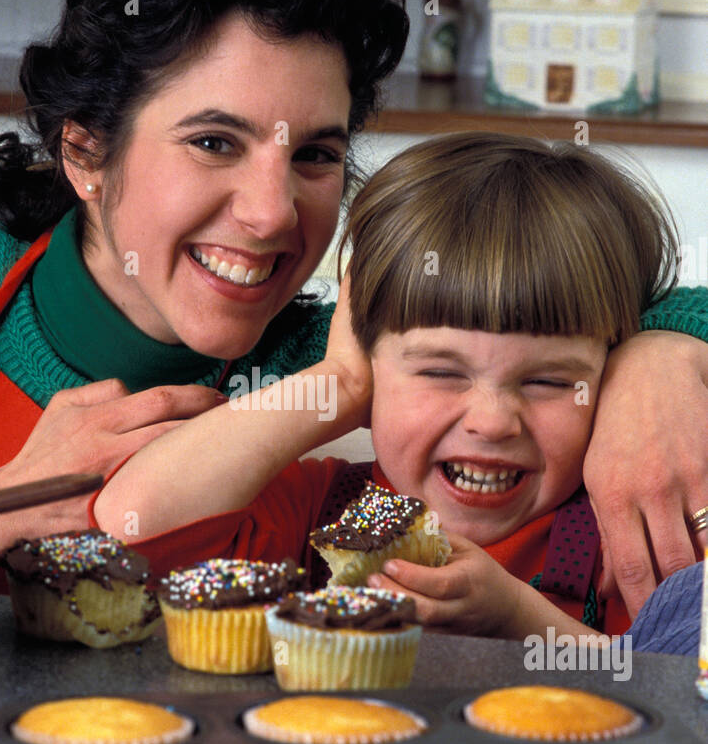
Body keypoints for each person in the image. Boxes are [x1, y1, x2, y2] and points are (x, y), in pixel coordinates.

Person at [0, 0, 706, 606]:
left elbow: (551, 313)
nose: (272, 214)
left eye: (315, 154)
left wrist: (659, 359)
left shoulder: (336, 364)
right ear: (85, 148)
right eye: (213, 142)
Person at [93, 133, 708, 642]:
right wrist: (339, 384)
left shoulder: (634, 530)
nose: (493, 422)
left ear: (611, 381)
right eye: (440, 372)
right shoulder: (324, 511)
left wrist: (520, 619)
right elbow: (131, 524)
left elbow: (676, 697)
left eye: (548, 381)